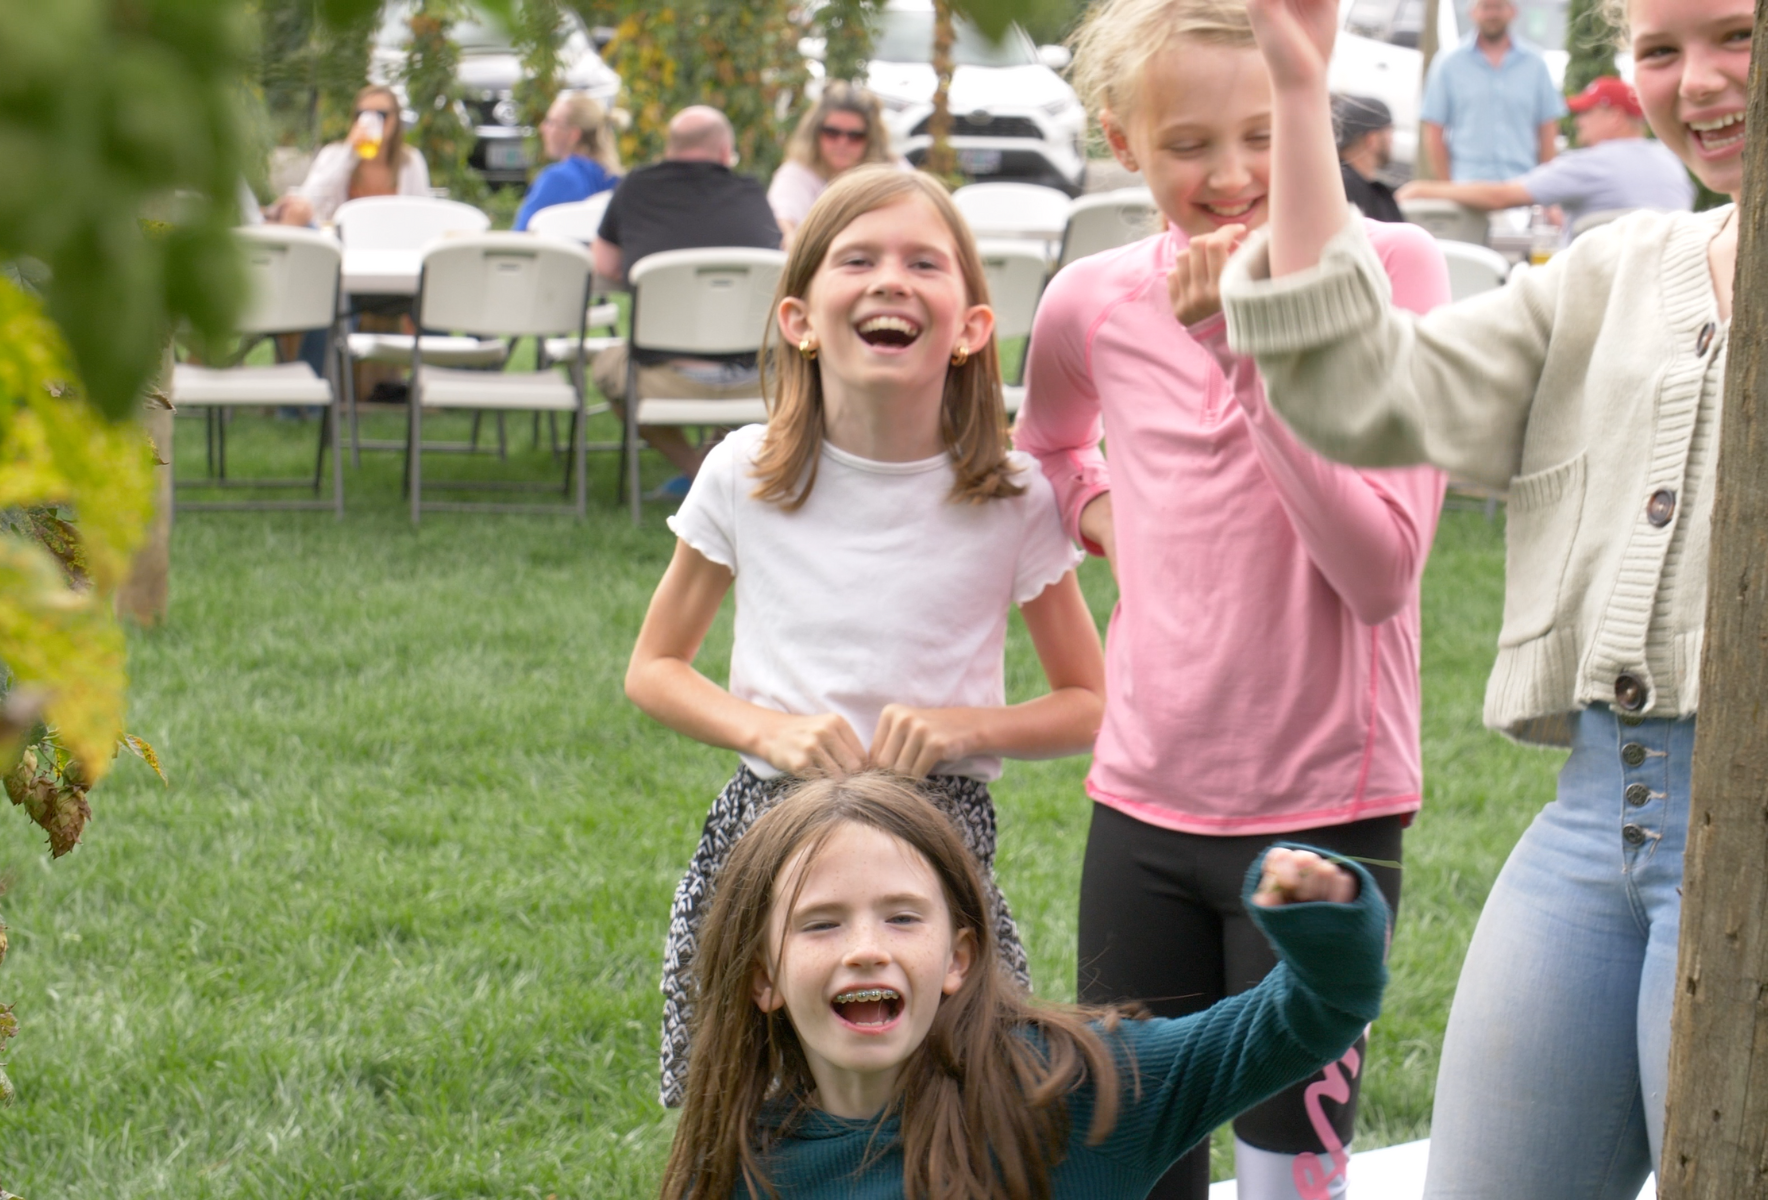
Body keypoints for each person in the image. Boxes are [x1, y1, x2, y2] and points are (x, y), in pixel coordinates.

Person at [1217, 0, 1745, 1194]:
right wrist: (1301, 102)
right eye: (1660, 51)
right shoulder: (1612, 276)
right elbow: (1365, 391)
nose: (1699, 81)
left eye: (1738, 36)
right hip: (1594, 826)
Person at [1019, 0, 1449, 1196]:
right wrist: (1110, 520)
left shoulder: (1393, 271)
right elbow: (1050, 449)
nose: (1233, 176)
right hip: (1145, 812)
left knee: (1287, 1180)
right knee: (1129, 1166)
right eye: (1189, 144)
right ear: (1122, 144)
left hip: (1322, 815)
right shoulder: (1091, 302)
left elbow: (1379, 575)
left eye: (1265, 134)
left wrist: (1249, 355)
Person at [624, 166, 1108, 1109]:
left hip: (935, 840)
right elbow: (654, 668)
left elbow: (1089, 704)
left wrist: (965, 728)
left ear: (971, 328)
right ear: (800, 318)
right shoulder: (745, 473)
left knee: (952, 1094)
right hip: (773, 829)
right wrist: (766, 732)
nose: (891, 279)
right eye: (860, 259)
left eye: (924, 262)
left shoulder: (1013, 497)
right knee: (757, 1100)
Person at [659, 772, 1392, 1200]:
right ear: (764, 977)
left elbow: (1315, 1016)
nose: (866, 951)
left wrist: (1326, 924)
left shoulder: (1080, 1094)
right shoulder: (743, 1167)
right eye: (821, 925)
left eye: (903, 917)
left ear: (961, 958)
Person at [590, 106, 783, 496]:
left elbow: (605, 264)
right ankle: (714, 473)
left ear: (669, 148)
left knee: (606, 367)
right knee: (733, 351)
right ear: (725, 151)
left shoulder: (635, 187)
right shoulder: (751, 191)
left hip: (664, 377)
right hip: (761, 378)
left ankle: (697, 471)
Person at [1399, 75, 1694, 234]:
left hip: (1593, 294)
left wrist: (1423, 189)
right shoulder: (1670, 161)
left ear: (1615, 117)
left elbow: (1500, 197)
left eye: (1587, 112)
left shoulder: (1589, 165)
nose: (1578, 121)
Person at [1419, 0, 1565, 181]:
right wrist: (1447, 187)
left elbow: (1548, 129)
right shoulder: (1448, 63)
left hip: (1521, 185)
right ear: (1473, 12)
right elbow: (1433, 130)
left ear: (1512, 11)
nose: (1492, 14)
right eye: (1486, 7)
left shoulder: (1535, 65)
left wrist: (1545, 187)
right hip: (1467, 185)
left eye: (1498, 7)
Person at [267, 85, 431, 227]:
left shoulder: (410, 161)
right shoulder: (334, 155)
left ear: (395, 120)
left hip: (394, 244)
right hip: (344, 245)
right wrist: (349, 152)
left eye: (381, 115)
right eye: (363, 114)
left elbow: (422, 213)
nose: (373, 121)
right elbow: (309, 200)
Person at [767, 82, 901, 241]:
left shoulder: (892, 173)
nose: (842, 143)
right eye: (832, 133)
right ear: (815, 133)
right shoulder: (798, 172)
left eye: (855, 136)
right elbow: (781, 223)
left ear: (871, 139)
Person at [513, 92, 621, 232]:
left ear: (573, 134)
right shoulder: (617, 182)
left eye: (551, 122)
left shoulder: (557, 179)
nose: (543, 128)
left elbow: (518, 238)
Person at [1333, 94, 1404, 222]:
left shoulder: (1336, 182)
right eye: (1389, 131)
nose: (1392, 140)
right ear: (1372, 140)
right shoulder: (1351, 189)